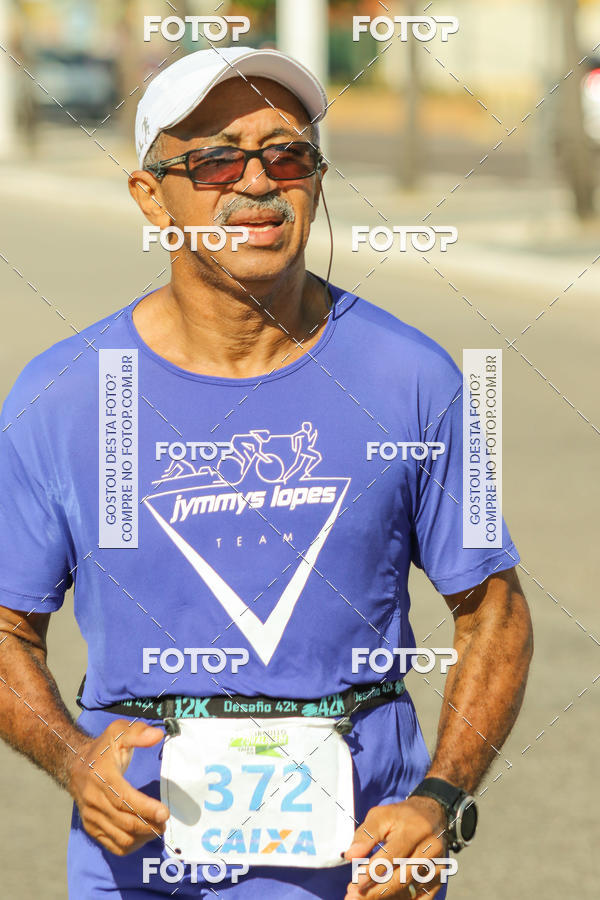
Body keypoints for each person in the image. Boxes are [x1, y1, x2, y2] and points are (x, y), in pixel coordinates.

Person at [0, 46, 533, 899]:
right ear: (151, 198)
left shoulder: (416, 379)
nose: (257, 183)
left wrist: (441, 798)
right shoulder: (65, 397)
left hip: (361, 868)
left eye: (286, 155)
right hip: (142, 869)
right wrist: (74, 760)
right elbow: (6, 628)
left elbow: (493, 608)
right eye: (214, 159)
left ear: (315, 181)